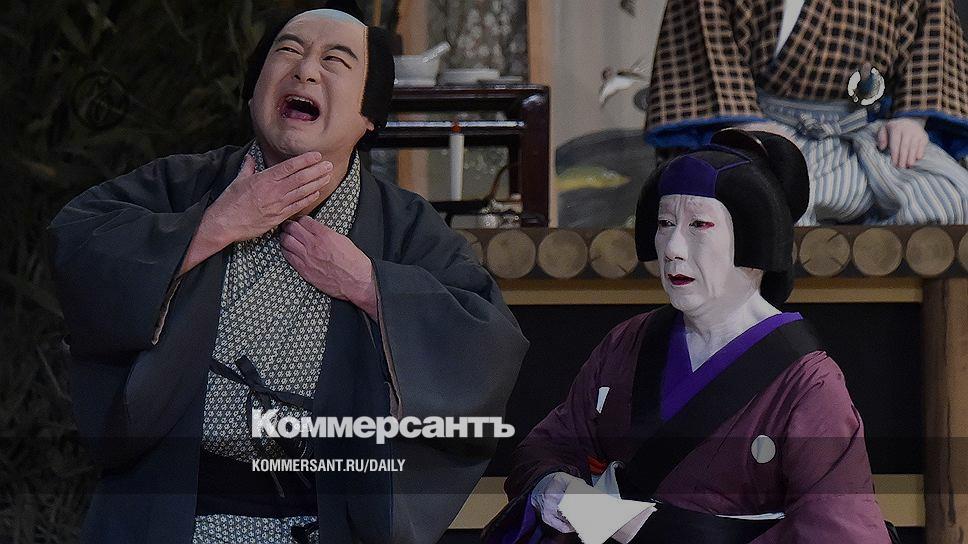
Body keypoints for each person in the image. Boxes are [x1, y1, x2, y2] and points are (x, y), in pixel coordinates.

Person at [48, 4, 528, 543]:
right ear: (255, 89)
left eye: (335, 60)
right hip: (175, 516)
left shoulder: (405, 228)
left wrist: (371, 286)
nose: (305, 70)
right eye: (289, 51)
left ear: (369, 115)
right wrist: (212, 227)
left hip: (327, 526)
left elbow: (488, 341)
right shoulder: (185, 186)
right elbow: (77, 240)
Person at [484, 130, 893, 543]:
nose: (673, 248)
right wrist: (553, 484)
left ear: (754, 239)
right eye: (665, 224)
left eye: (699, 225)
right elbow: (550, 445)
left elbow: (839, 531)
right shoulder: (629, 341)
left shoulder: (808, 384)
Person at [644, 0, 968, 225]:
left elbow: (933, 32)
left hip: (864, 136)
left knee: (948, 196)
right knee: (762, 208)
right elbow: (708, 38)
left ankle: (876, 293)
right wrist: (745, 122)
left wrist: (912, 118)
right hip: (767, 134)